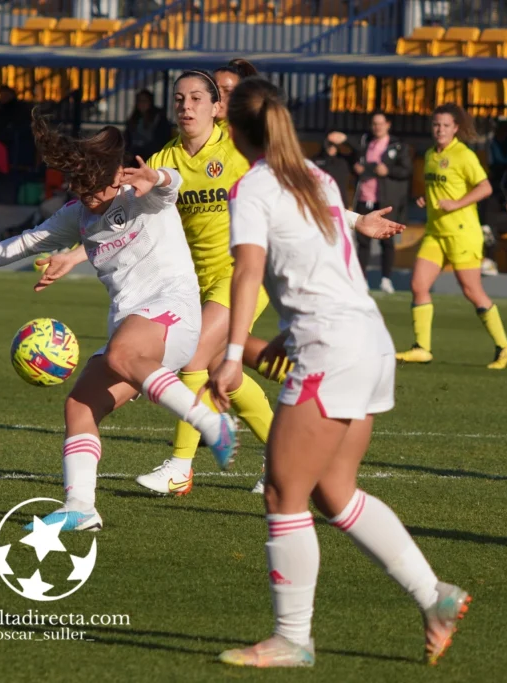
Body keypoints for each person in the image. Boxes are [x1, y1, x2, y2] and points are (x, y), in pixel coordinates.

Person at [209, 77, 469, 669]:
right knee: (333, 491)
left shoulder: (251, 187)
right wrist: (288, 329)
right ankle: (437, 597)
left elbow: (248, 272)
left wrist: (230, 356)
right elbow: (330, 261)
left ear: (234, 130)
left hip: (332, 347)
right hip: (367, 340)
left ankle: (293, 638)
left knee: (282, 491)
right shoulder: (315, 174)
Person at [0, 110, 238, 531]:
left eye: (95, 189)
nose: (89, 199)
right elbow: (27, 241)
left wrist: (156, 178)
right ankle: (80, 507)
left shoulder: (143, 194)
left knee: (120, 354)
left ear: (116, 177)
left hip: (173, 310)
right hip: (133, 329)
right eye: (81, 191)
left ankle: (212, 423)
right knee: (80, 405)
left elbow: (173, 183)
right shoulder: (79, 214)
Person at [40, 69, 305, 497]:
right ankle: (287, 457)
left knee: (196, 357)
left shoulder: (240, 153)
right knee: (221, 372)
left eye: (197, 99)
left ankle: (181, 466)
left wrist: (354, 221)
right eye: (179, 99)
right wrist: (74, 254)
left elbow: (297, 191)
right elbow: (119, 221)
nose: (186, 107)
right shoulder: (162, 161)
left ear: (218, 108)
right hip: (193, 283)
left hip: (244, 274)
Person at [396, 103, 507, 369]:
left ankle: (505, 347)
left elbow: (485, 187)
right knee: (418, 285)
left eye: (445, 125)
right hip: (436, 232)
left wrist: (456, 203)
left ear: (455, 129)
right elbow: (440, 189)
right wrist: (426, 200)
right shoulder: (429, 154)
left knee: (472, 291)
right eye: (436, 124)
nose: (439, 129)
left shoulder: (463, 155)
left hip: (462, 233)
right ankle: (422, 348)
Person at [350, 111, 412, 293]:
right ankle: (361, 279)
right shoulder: (365, 142)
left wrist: (388, 170)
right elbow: (357, 162)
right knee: (362, 242)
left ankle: (386, 279)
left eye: (380, 123)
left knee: (386, 241)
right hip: (364, 198)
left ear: (388, 124)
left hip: (385, 200)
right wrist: (357, 168)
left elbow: (406, 171)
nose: (377, 127)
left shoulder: (397, 146)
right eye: (374, 124)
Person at [124, 89, 172, 161]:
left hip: (151, 154)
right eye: (140, 101)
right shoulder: (134, 118)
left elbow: (162, 139)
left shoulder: (158, 118)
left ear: (150, 102)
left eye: (145, 101)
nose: (142, 104)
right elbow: (127, 138)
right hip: (133, 153)